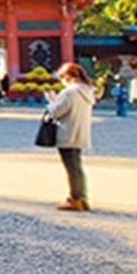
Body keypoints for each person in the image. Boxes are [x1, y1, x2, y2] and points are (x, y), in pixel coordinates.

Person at [46, 62, 97, 212]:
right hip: (80, 132)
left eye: (62, 77)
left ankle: (75, 199)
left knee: (71, 168)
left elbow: (55, 112)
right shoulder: (87, 91)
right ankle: (82, 197)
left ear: (69, 76)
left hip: (67, 132)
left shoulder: (70, 92)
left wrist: (52, 101)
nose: (62, 80)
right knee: (77, 166)